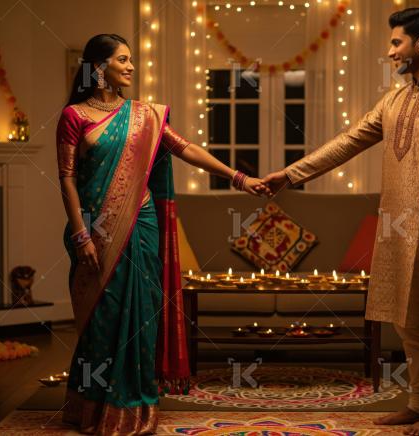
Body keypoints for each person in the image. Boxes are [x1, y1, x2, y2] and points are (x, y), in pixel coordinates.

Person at [262, 8, 419, 435]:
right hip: (394, 226)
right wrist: (289, 175)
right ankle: (417, 404)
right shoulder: (394, 100)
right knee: (405, 323)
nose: (390, 50)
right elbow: (347, 143)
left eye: (397, 42)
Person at [56, 34, 268, 435]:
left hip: (142, 224)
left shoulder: (146, 115)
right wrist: (81, 235)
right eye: (123, 59)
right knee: (103, 316)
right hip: (95, 230)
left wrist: (238, 177)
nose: (131, 66)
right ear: (99, 67)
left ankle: (132, 405)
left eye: (131, 59)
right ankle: (93, 407)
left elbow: (186, 149)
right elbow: (66, 179)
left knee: (141, 312)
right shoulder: (75, 116)